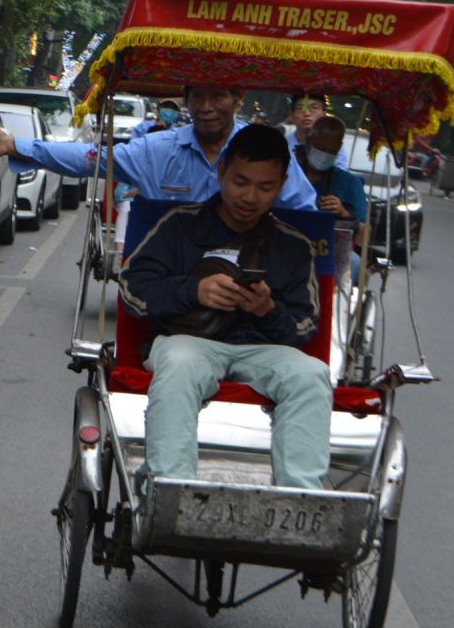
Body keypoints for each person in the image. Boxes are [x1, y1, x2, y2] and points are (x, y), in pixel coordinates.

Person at [118, 124, 331, 490]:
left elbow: (304, 325)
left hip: (264, 348)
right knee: (180, 363)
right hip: (188, 342)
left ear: (281, 185)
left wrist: (267, 310)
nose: (250, 197)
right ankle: (171, 486)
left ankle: (302, 495)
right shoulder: (178, 226)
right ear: (221, 173)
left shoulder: (294, 245)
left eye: (265, 188)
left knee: (311, 375)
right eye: (240, 182)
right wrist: (194, 290)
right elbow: (133, 287)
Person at [0, 85, 318, 211]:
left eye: (218, 96)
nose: (206, 106)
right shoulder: (157, 150)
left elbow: (304, 213)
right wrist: (15, 144)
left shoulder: (265, 151)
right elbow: (92, 160)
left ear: (238, 100)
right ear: (187, 102)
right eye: (198, 97)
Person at [297, 115, 369, 281]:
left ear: (339, 149)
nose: (325, 155)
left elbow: (365, 233)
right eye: (320, 148)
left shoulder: (349, 183)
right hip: (286, 245)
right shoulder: (290, 173)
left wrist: (343, 212)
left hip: (331, 251)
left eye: (332, 151)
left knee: (355, 264)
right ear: (309, 142)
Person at [285, 91, 350, 171]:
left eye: (314, 107)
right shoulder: (282, 144)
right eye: (300, 108)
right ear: (292, 115)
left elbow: (341, 171)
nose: (307, 113)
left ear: (324, 115)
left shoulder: (332, 146)